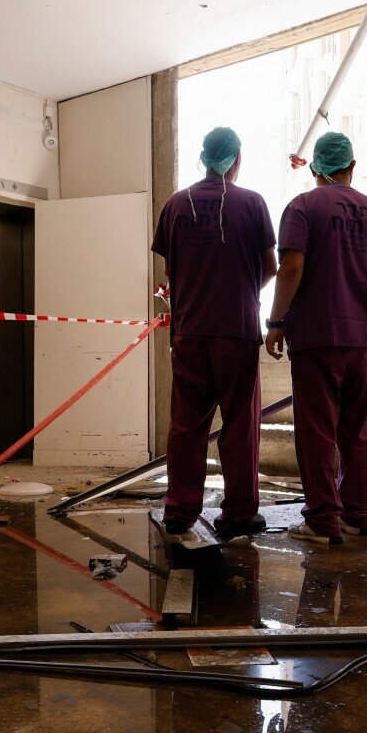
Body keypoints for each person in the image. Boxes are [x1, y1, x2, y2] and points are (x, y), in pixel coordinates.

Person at [264, 132, 367, 547]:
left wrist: (275, 321)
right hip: (364, 340)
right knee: (357, 430)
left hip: (317, 337)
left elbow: (291, 267)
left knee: (317, 432)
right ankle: (358, 516)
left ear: (314, 168)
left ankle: (323, 522)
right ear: (352, 167)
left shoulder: (302, 207)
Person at [151, 126, 278, 539]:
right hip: (237, 330)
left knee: (187, 424)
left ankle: (179, 511)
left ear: (203, 159)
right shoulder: (253, 203)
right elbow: (271, 267)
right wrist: (240, 290)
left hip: (189, 330)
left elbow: (171, 273)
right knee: (240, 424)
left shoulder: (174, 205)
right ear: (236, 160)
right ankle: (240, 512)